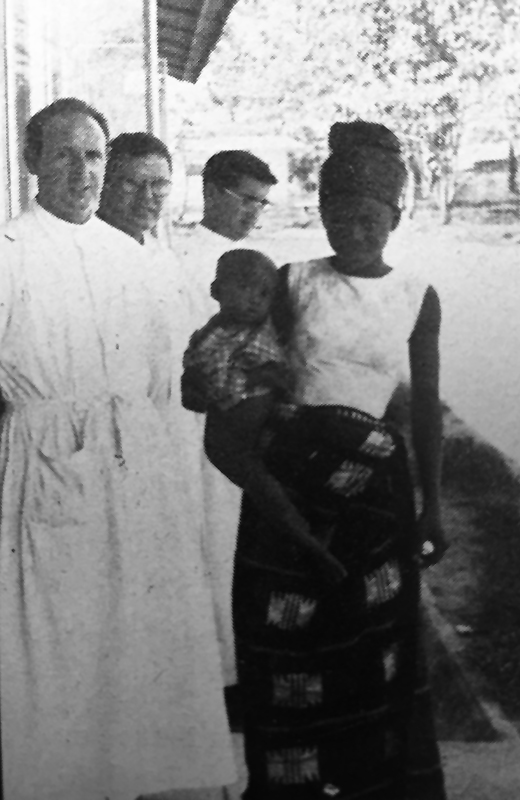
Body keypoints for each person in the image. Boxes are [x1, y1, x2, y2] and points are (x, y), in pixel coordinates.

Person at [0, 98, 235, 800]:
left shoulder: (127, 254)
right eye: (65, 153)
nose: (83, 170)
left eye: (95, 155)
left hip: (138, 463)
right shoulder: (10, 251)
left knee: (139, 637)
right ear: (31, 160)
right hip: (47, 466)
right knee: (60, 642)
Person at [231, 120, 448, 800]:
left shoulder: (418, 296)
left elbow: (422, 410)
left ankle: (370, 783)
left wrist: (431, 504)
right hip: (291, 494)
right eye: (336, 213)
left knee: (372, 647)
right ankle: (292, 786)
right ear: (319, 212)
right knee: (289, 643)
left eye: (368, 215)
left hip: (374, 499)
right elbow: (256, 383)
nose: (352, 228)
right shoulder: (293, 281)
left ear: (396, 215)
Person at [182, 249, 347, 589]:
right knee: (261, 487)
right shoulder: (205, 335)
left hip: (257, 427)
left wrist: (268, 378)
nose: (255, 301)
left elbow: (285, 377)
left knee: (264, 486)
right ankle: (308, 528)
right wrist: (195, 390)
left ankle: (311, 544)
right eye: (244, 288)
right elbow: (192, 387)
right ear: (217, 291)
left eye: (264, 293)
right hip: (224, 433)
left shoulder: (262, 334)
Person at [182, 151, 278, 694]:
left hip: (246, 426)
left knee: (243, 548)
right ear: (213, 192)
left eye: (262, 203)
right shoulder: (180, 258)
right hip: (196, 425)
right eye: (247, 199)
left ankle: (240, 672)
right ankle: (217, 679)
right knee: (209, 547)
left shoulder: (257, 262)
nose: (254, 213)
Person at [98, 131, 173, 249]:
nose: (146, 196)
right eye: (132, 183)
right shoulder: (84, 249)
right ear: (105, 184)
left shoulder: (159, 255)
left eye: (159, 185)